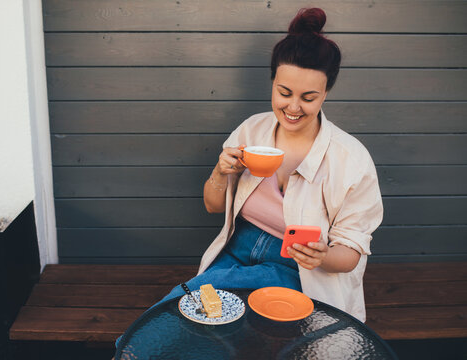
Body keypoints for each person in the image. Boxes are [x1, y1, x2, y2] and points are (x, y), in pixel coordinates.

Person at [117, 10, 383, 352]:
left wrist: (323, 256)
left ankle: (132, 351)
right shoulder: (252, 130)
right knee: (199, 317)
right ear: (272, 82)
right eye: (284, 92)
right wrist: (219, 172)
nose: (293, 107)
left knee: (199, 305)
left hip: (298, 268)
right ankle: (135, 350)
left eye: (308, 97)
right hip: (238, 249)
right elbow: (213, 205)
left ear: (326, 93)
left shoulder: (351, 158)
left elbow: (352, 252)